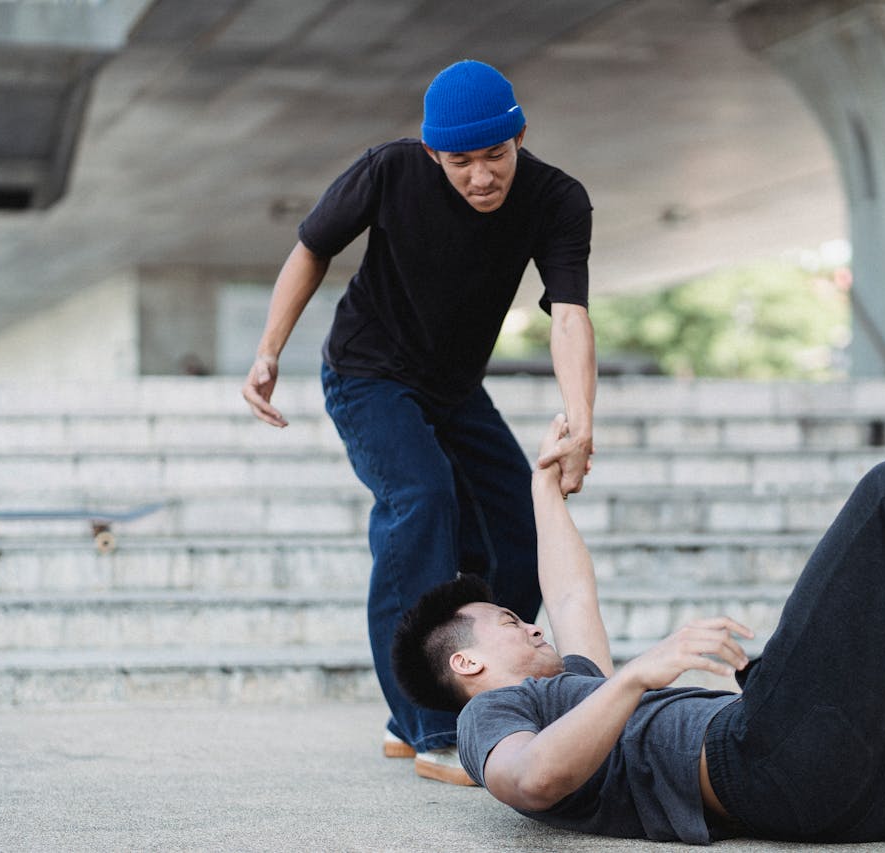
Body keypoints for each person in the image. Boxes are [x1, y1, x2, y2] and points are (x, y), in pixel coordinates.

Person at [391, 414, 885, 843]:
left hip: (844, 795)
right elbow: (532, 778)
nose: (530, 622)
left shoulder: (570, 688)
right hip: (765, 759)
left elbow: (571, 588)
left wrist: (540, 485)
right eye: (505, 621)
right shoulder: (490, 717)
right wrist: (636, 673)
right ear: (467, 663)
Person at [242, 60, 597, 786]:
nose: (480, 178)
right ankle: (428, 723)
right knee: (421, 498)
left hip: (453, 388)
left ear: (520, 136)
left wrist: (580, 421)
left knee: (522, 521)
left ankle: (471, 687)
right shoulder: (388, 171)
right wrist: (268, 349)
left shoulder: (558, 200)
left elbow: (569, 314)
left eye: (495, 156)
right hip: (366, 374)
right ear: (434, 153)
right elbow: (312, 246)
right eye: (460, 163)